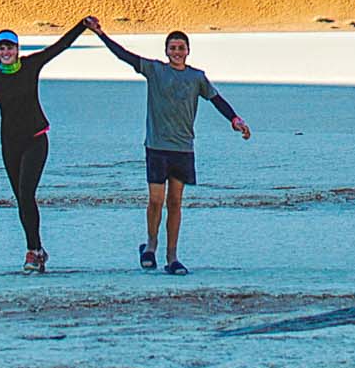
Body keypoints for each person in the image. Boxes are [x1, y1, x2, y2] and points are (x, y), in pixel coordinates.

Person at [91, 24, 250, 274]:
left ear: (188, 51)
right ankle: (151, 245)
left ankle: (172, 257)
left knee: (175, 202)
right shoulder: (155, 70)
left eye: (181, 48)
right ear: (166, 51)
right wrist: (101, 34)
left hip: (183, 148)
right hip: (157, 147)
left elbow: (216, 99)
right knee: (156, 201)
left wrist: (235, 119)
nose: (177, 52)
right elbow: (124, 55)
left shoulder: (197, 77)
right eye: (172, 48)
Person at [0, 18, 91, 271]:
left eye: (10, 47)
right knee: (21, 200)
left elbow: (59, 47)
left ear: (17, 49)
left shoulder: (31, 65)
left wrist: (81, 26)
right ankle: (37, 248)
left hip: (36, 139)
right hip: (10, 144)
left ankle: (32, 252)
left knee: (26, 193)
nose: (6, 52)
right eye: (1, 48)